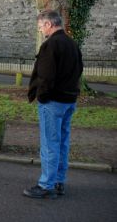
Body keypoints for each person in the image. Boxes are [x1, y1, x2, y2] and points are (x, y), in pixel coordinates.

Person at [24, 10, 83, 199]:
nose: (41, 30)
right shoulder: (73, 44)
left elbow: (46, 76)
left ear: (49, 24)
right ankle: (58, 181)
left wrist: (42, 97)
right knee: (62, 142)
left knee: (50, 143)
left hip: (53, 102)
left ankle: (46, 185)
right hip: (69, 101)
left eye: (41, 27)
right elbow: (79, 71)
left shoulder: (51, 45)